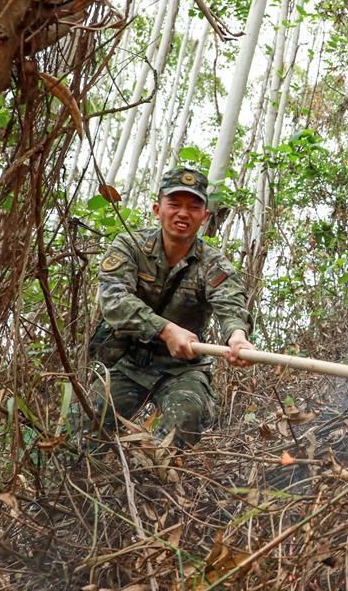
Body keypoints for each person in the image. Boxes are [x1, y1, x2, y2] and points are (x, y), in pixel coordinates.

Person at [88, 168, 255, 450]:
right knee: (85, 429)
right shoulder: (130, 246)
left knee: (185, 418)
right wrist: (165, 330)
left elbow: (230, 303)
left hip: (182, 371)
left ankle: (149, 484)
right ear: (157, 209)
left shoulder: (214, 264)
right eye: (174, 204)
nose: (183, 213)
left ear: (204, 217)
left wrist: (237, 336)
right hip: (125, 362)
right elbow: (114, 300)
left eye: (193, 207)